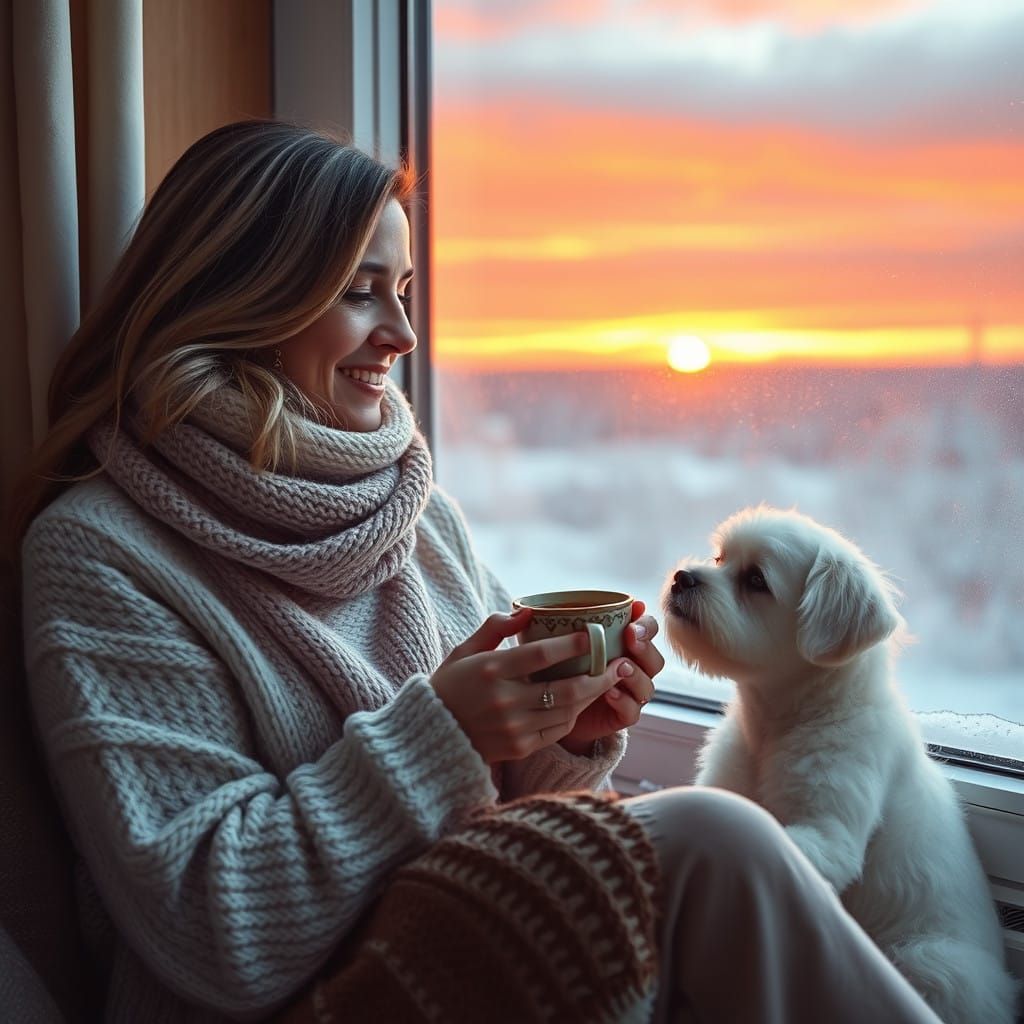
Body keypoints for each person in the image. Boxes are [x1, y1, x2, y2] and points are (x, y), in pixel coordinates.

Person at [12, 120, 946, 1024]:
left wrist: (557, 740)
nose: (403, 336)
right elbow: (209, 928)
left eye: (405, 289)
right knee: (712, 837)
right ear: (243, 295)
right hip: (301, 1001)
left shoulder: (412, 513)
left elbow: (507, 820)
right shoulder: (100, 552)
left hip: (450, 941)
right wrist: (445, 729)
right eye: (359, 291)